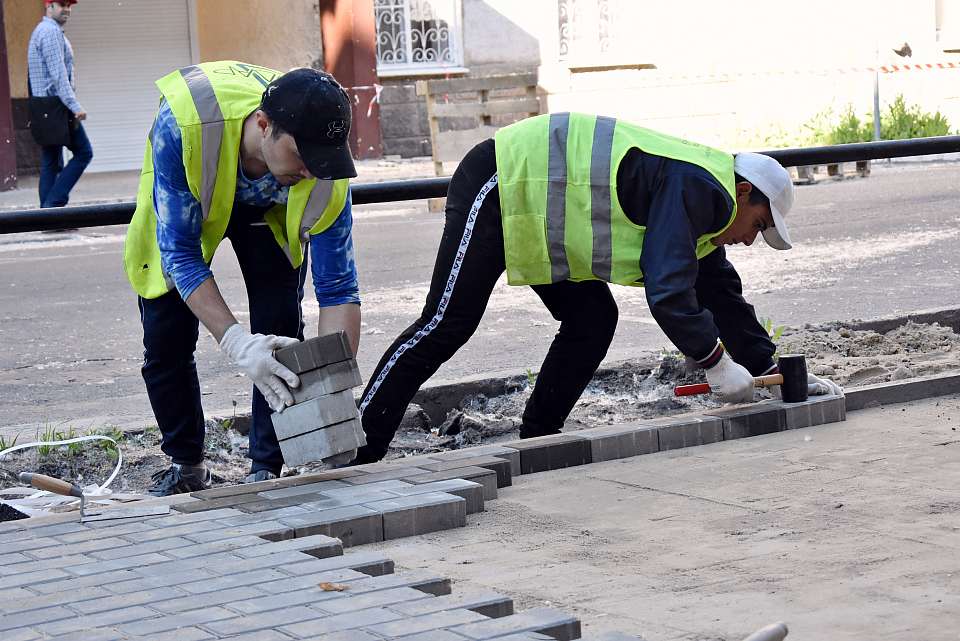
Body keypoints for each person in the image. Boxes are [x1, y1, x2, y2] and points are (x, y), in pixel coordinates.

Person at [352, 112, 842, 464]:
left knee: (591, 320)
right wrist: (715, 363)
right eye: (759, 225)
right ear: (743, 191)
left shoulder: (710, 210)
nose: (753, 239)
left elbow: (720, 295)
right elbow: (668, 290)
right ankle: (360, 446)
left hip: (545, 214)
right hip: (507, 179)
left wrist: (769, 369)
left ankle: (538, 440)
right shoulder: (701, 190)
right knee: (447, 323)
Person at [123, 61, 361, 495]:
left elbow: (339, 290)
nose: (311, 172)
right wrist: (234, 342)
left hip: (266, 214)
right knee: (165, 334)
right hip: (194, 196)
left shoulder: (325, 172)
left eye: (321, 162)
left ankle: (266, 469)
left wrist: (334, 390)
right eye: (303, 157)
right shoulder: (185, 124)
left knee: (280, 326)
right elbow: (180, 253)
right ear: (264, 124)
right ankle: (187, 465)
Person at [27, 0, 93, 209]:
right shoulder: (50, 32)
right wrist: (75, 106)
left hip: (44, 106)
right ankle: (53, 204)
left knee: (51, 160)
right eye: (62, 4)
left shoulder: (43, 30)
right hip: (55, 105)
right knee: (84, 152)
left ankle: (47, 216)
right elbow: (58, 76)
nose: (67, 9)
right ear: (49, 6)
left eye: (70, 5)